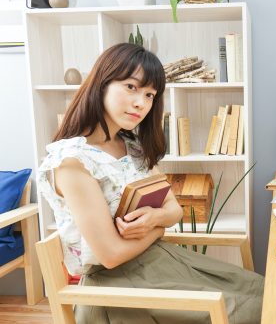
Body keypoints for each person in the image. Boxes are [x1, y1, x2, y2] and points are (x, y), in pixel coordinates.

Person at [37, 43, 263, 323]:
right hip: (117, 288)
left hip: (159, 263)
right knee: (247, 311)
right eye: (131, 87)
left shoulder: (132, 147)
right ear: (101, 83)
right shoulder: (73, 163)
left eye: (149, 95)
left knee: (261, 291)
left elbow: (175, 210)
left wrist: (156, 217)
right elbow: (111, 255)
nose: (141, 103)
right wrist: (157, 229)